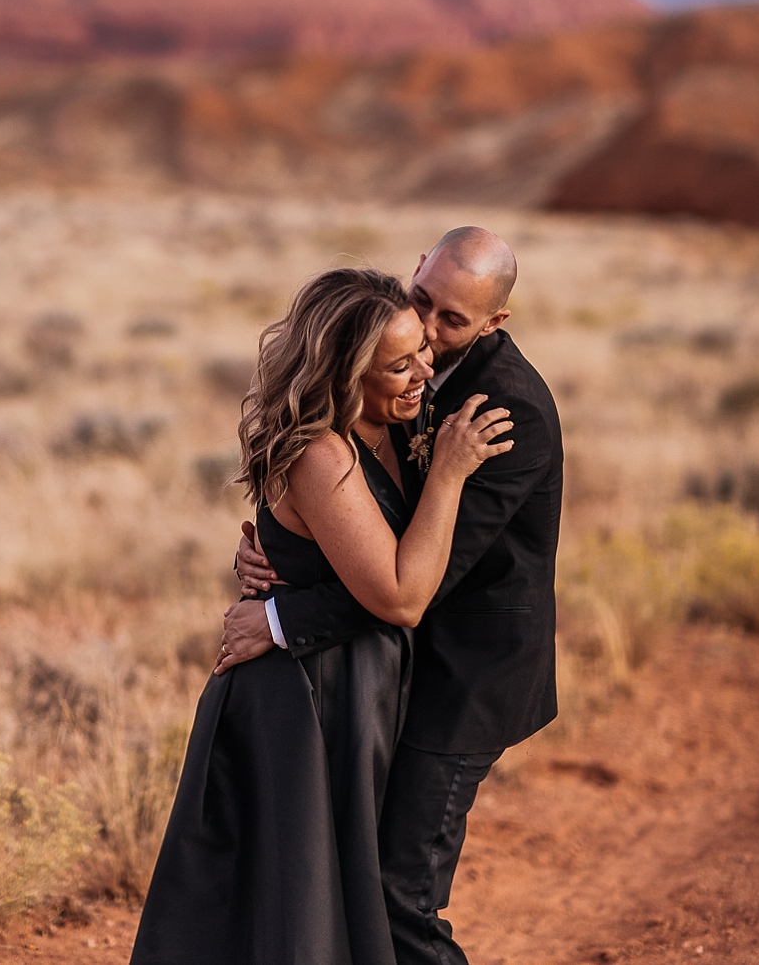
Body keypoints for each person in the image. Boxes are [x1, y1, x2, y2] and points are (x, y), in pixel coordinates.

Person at [130, 267, 514, 965]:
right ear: (344, 375)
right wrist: (453, 474)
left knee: (344, 900)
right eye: (398, 365)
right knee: (295, 912)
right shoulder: (320, 452)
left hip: (353, 694)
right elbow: (399, 595)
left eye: (423, 351)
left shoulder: (391, 430)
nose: (424, 371)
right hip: (301, 705)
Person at [220, 227, 562, 965]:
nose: (431, 341)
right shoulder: (381, 381)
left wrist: (282, 617)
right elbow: (358, 517)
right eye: (423, 304)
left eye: (452, 323)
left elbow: (424, 579)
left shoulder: (506, 412)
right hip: (380, 675)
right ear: (415, 273)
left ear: (494, 323)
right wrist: (282, 555)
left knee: (397, 895)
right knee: (338, 880)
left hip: (465, 678)